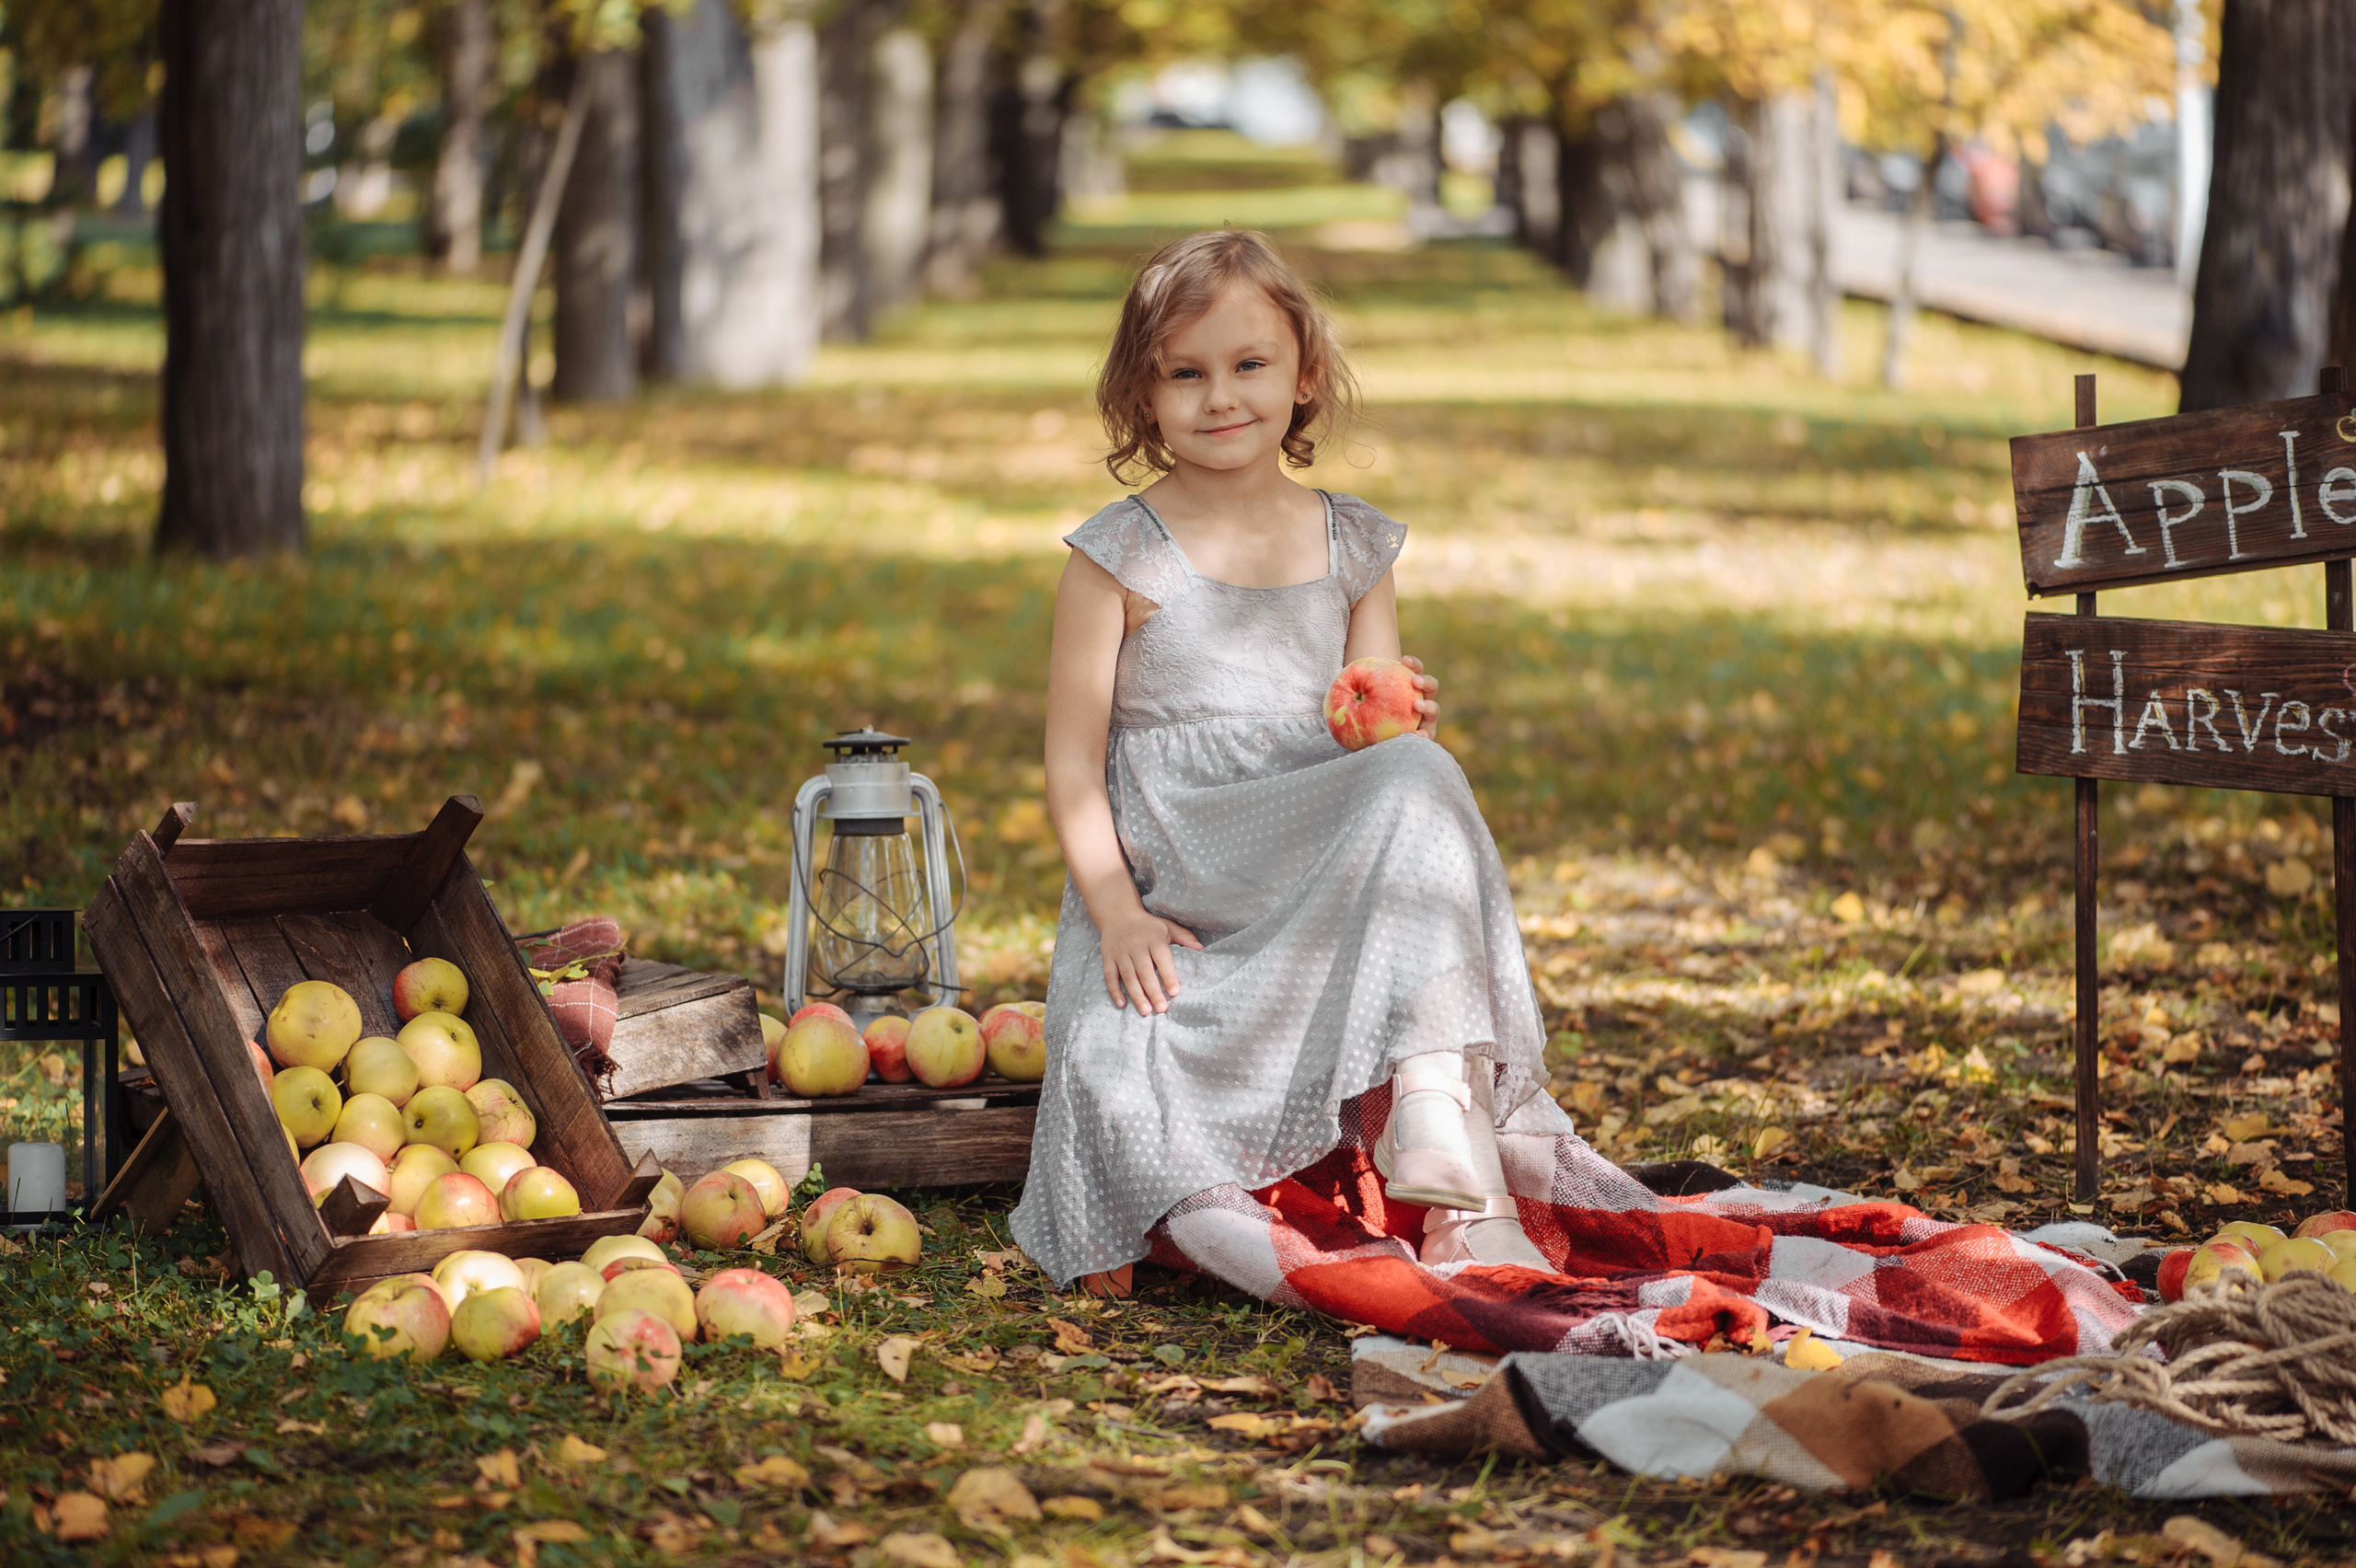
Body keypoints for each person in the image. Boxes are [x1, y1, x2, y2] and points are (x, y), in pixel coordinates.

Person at [1010, 228, 1559, 1292]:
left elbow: (1363, 738)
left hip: (1315, 881)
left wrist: (1390, 727)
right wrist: (1117, 911)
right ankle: (1396, 1134)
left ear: (1304, 376)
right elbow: (1072, 766)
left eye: (1249, 364)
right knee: (1119, 1077)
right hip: (1184, 888)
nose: (1221, 397)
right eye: (1186, 373)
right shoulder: (1117, 556)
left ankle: (1446, 1139)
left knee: (1422, 776)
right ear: (1143, 393)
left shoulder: (1351, 545)